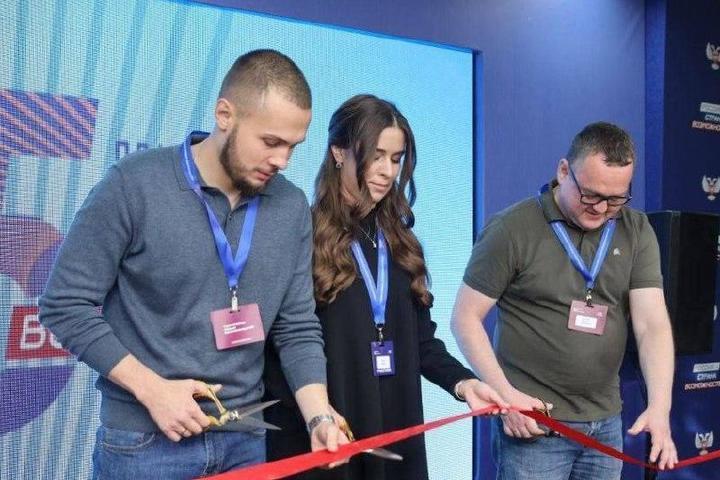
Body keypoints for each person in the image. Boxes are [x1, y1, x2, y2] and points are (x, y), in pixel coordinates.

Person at [39, 49, 346, 480]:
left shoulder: (291, 206)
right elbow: (64, 305)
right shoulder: (135, 184)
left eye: (293, 146)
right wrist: (153, 391)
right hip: (145, 444)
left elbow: (296, 326)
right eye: (270, 142)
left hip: (246, 439)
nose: (282, 161)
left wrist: (319, 417)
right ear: (225, 115)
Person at [263, 94, 507, 480]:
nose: (387, 171)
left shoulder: (401, 245)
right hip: (327, 442)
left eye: (396, 159)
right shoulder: (303, 237)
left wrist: (463, 383)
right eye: (376, 156)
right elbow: (282, 346)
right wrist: (317, 416)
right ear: (339, 152)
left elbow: (422, 343)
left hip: (395, 434)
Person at [451, 122, 678, 479]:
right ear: (562, 171)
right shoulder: (512, 229)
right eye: (590, 194)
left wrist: (660, 407)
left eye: (616, 199)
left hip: (605, 424)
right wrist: (505, 395)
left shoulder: (636, 230)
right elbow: (464, 318)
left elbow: (652, 325)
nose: (601, 208)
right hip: (536, 424)